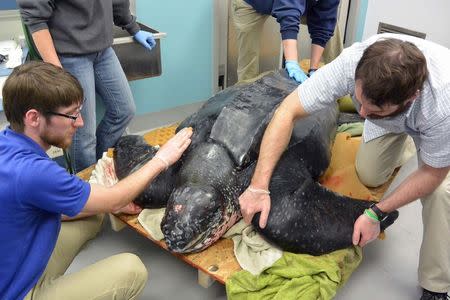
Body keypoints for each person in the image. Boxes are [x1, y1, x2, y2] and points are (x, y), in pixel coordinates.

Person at [238, 33, 450, 300]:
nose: (360, 114)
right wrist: (258, 186)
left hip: (435, 124)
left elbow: (432, 174)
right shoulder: (352, 63)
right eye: (359, 101)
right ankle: (403, 143)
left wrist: (376, 213)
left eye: (372, 111)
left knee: (441, 193)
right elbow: (286, 111)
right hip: (392, 116)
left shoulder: (443, 104)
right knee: (370, 174)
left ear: (411, 98)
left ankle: (436, 286)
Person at [0, 61, 193, 300]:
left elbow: (42, 204)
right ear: (33, 118)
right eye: (71, 115)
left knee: (94, 213)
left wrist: (111, 201)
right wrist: (162, 159)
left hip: (17, 264)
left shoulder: (7, 142)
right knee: (131, 270)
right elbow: (113, 200)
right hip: (17, 292)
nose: (79, 123)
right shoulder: (34, 172)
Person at [17, 0, 157, 173]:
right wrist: (57, 72)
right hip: (70, 55)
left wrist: (132, 27)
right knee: (83, 135)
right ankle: (86, 185)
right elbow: (36, 19)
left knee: (124, 110)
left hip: (103, 50)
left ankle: (98, 166)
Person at [231, 0, 343, 83]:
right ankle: (244, 99)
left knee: (330, 26)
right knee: (248, 57)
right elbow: (289, 12)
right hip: (252, 3)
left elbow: (324, 22)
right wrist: (292, 63)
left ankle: (340, 79)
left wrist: (313, 69)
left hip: (297, 3)